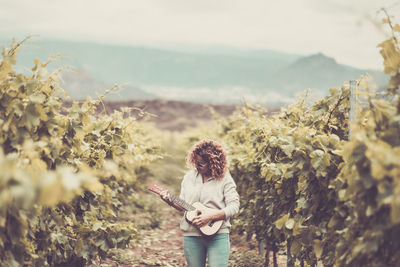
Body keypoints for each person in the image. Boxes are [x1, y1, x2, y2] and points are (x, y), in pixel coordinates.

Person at [160, 139, 240, 267]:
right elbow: (183, 205)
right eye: (195, 162)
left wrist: (210, 217)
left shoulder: (225, 178)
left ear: (213, 163)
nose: (197, 166)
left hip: (218, 235)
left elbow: (234, 206)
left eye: (201, 164)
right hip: (192, 235)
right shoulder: (189, 178)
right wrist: (170, 201)